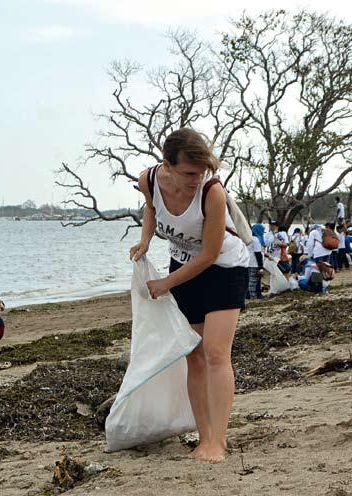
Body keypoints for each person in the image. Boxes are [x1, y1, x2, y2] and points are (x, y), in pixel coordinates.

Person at [129, 128, 249, 463]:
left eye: (202, 172)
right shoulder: (149, 181)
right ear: (166, 165)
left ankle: (219, 442)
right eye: (189, 173)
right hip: (183, 264)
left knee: (215, 353)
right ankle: (204, 436)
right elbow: (152, 208)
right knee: (193, 355)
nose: (197, 179)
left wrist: (165, 283)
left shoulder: (212, 193)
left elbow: (209, 255)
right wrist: (146, 240)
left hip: (224, 266)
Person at [246, 225, 265, 299]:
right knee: (253, 281)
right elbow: (258, 254)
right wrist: (261, 267)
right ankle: (252, 297)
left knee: (253, 280)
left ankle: (257, 295)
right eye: (262, 231)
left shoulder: (248, 238)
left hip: (248, 262)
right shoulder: (256, 240)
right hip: (254, 263)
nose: (263, 232)